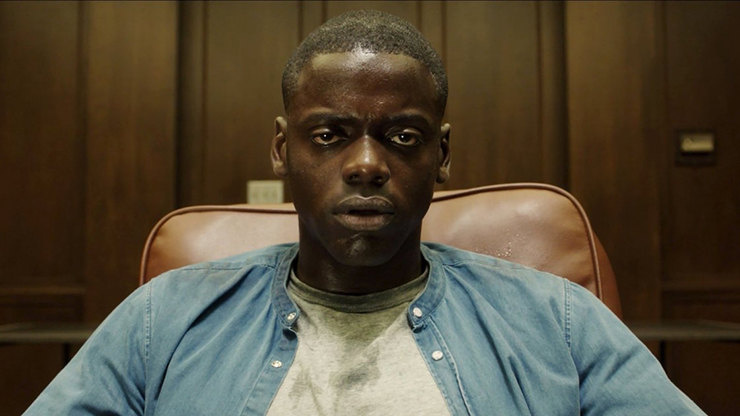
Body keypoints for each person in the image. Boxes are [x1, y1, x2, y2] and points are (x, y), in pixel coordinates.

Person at [26, 10, 703, 415]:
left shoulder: (559, 321)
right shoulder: (162, 319)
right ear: (282, 150)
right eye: (330, 134)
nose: (367, 164)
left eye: (402, 137)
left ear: (441, 155)